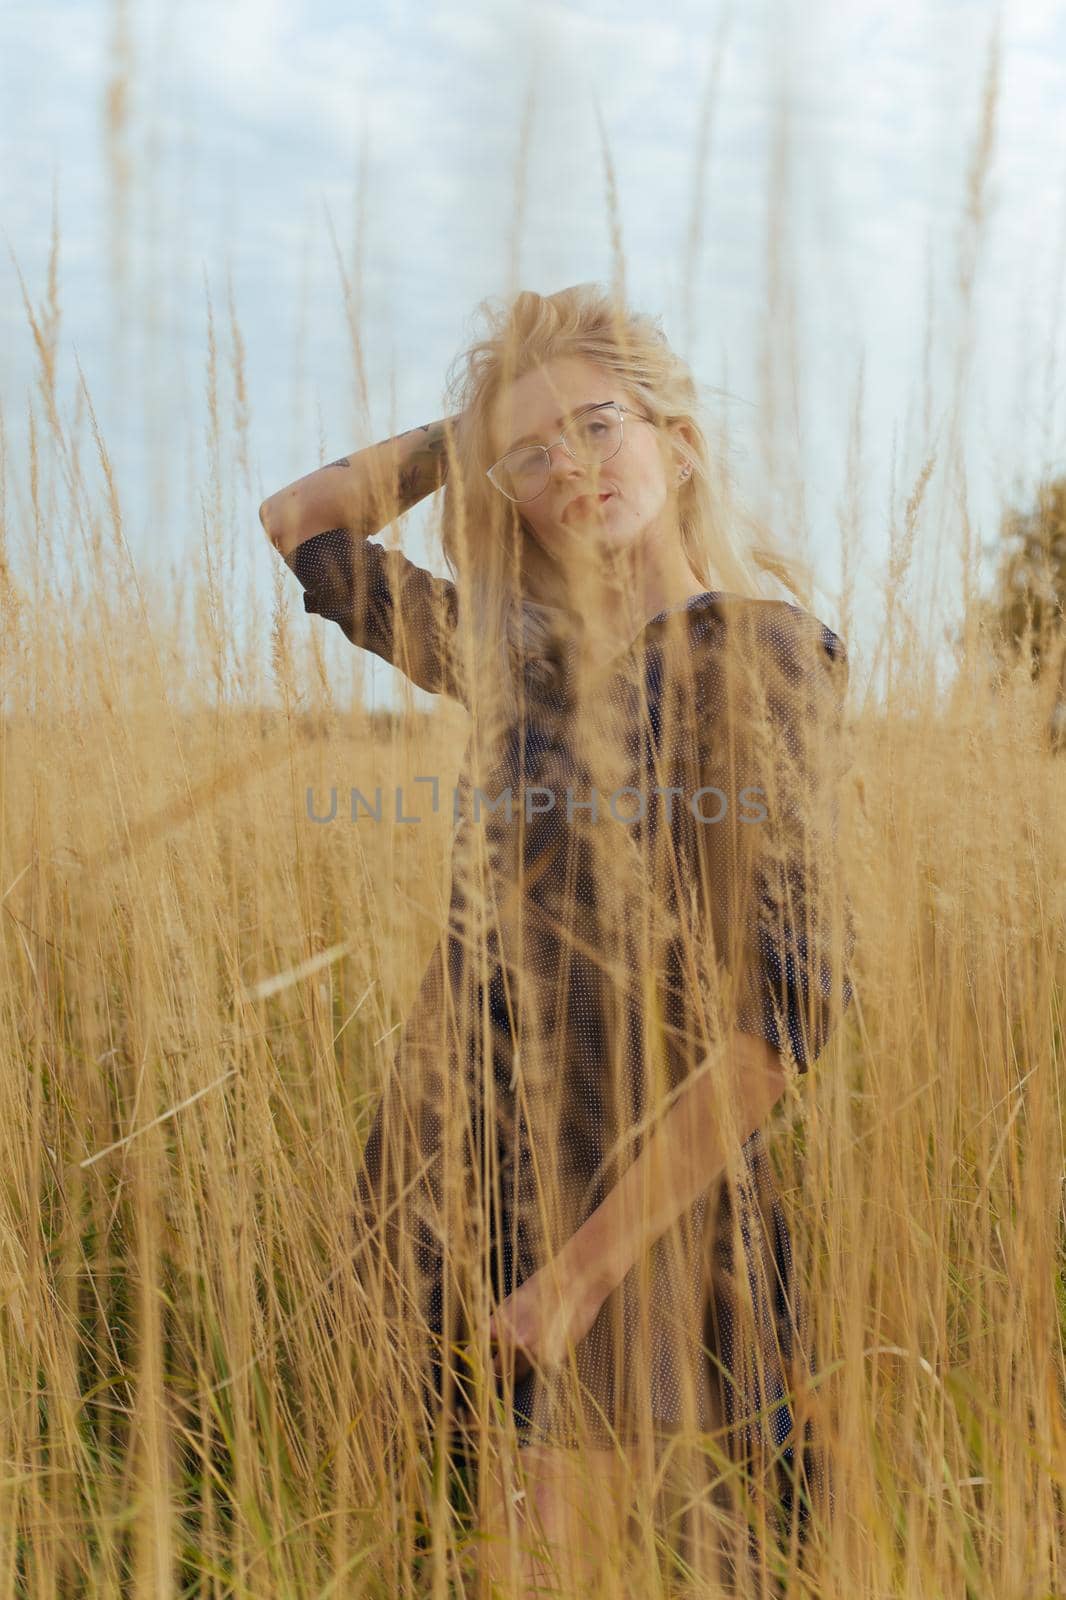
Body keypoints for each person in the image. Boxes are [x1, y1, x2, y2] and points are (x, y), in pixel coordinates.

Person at [260, 282, 854, 1595]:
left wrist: (579, 1279)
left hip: (629, 1212)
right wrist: (463, 431)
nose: (569, 468)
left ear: (676, 437)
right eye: (530, 455)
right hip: (457, 1180)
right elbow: (299, 522)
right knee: (445, 1551)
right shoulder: (512, 654)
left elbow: (782, 1024)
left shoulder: (757, 658)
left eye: (598, 426)